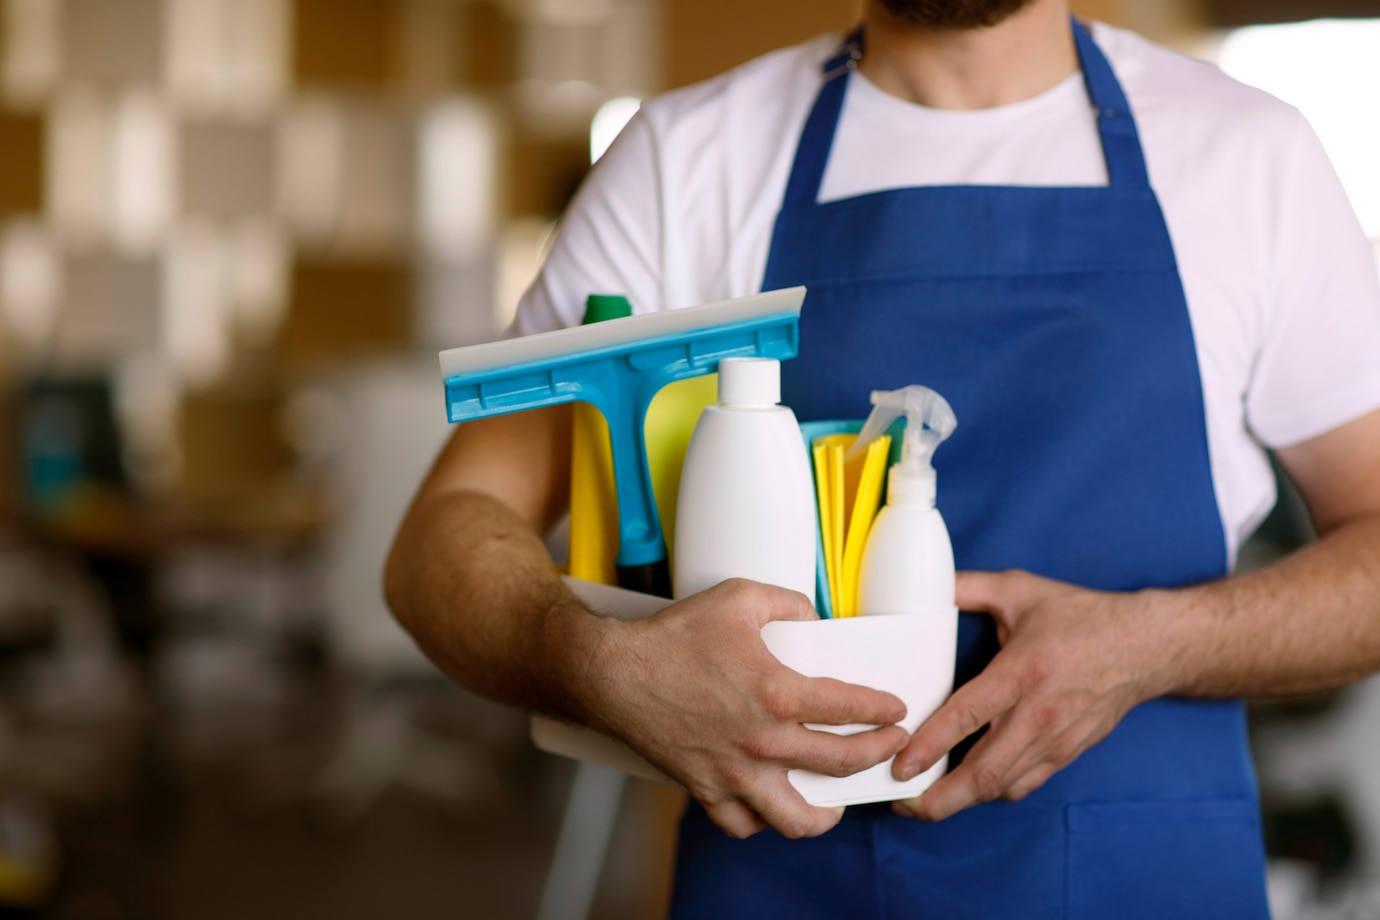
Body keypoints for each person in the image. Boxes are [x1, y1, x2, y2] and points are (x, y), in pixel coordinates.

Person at [386, 0, 1380, 915]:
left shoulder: (1247, 156)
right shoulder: (686, 161)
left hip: (1145, 876)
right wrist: (597, 662)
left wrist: (1155, 643)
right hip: (779, 879)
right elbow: (442, 540)